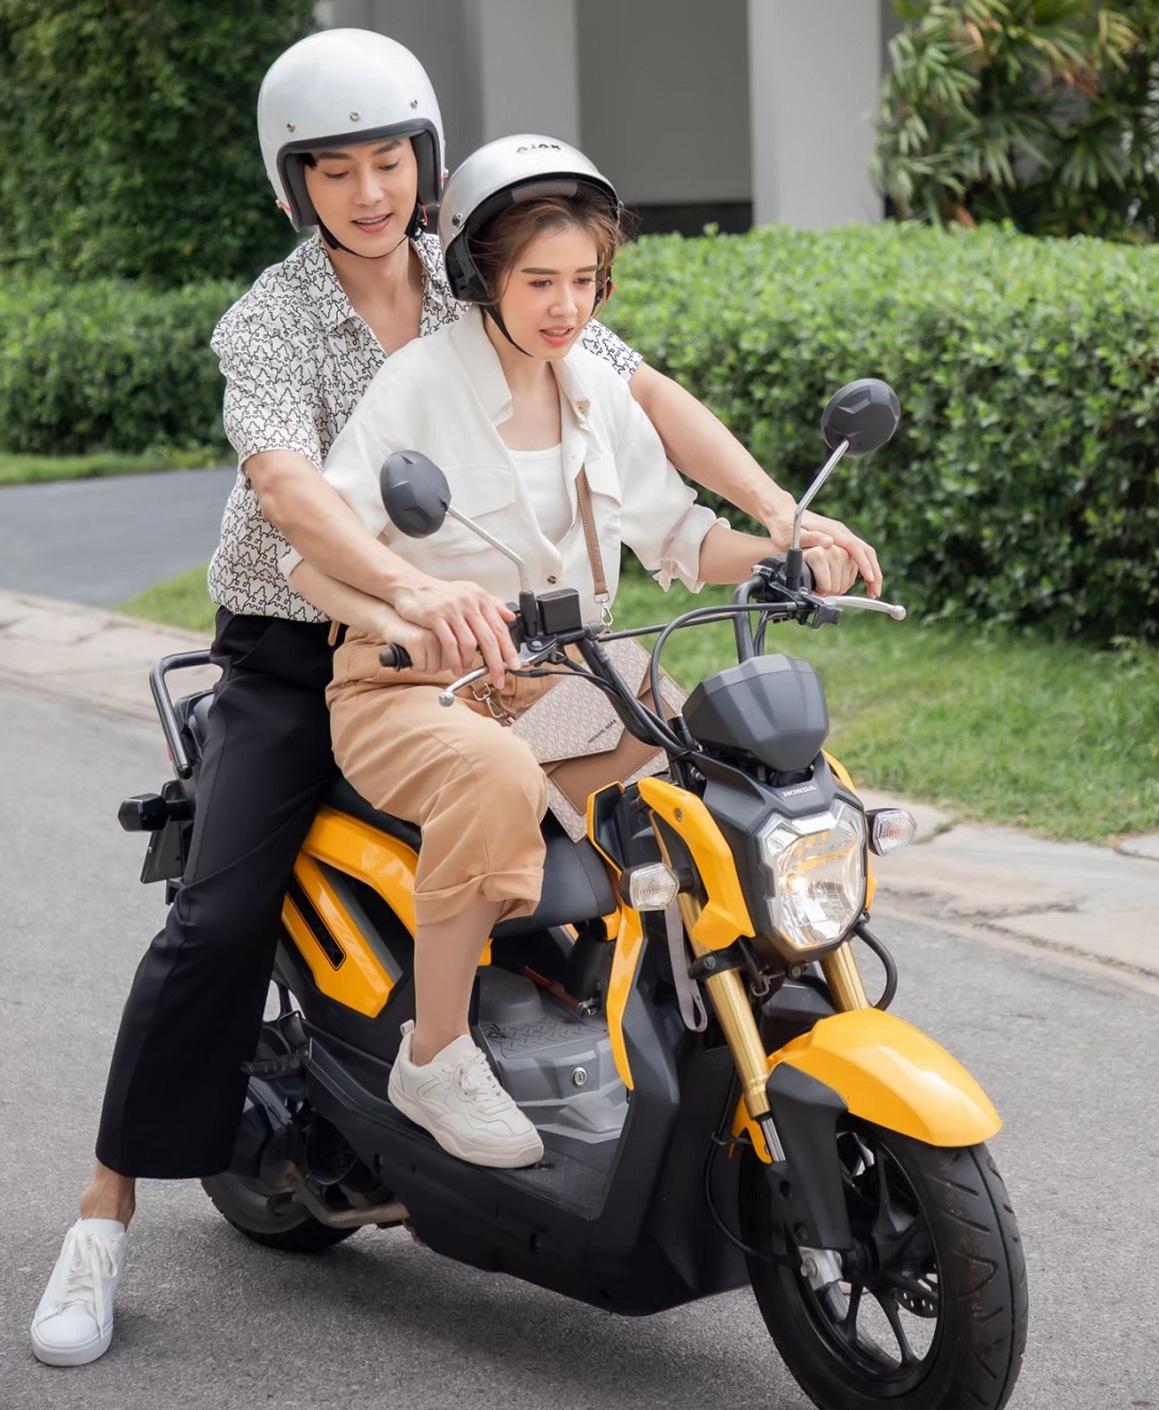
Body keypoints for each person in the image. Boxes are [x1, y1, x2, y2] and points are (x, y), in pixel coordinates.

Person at [30, 27, 880, 1367]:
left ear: (427, 163)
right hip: (306, 645)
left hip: (510, 641)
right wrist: (407, 596)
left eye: (390, 160)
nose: (368, 191)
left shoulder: (486, 263)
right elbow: (286, 488)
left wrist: (781, 517)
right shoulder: (273, 317)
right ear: (293, 182)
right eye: (334, 169)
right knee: (219, 917)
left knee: (690, 792)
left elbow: (638, 396)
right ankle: (103, 1212)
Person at [281, 135, 862, 1168]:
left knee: (716, 767)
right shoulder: (417, 387)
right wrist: (412, 614)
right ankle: (436, 1052)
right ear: (481, 277)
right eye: (539, 281)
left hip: (563, 677)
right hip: (413, 690)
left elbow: (682, 539)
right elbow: (309, 563)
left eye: (585, 280)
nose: (566, 306)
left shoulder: (593, 386)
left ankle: (693, 1008)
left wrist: (786, 548)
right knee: (494, 774)